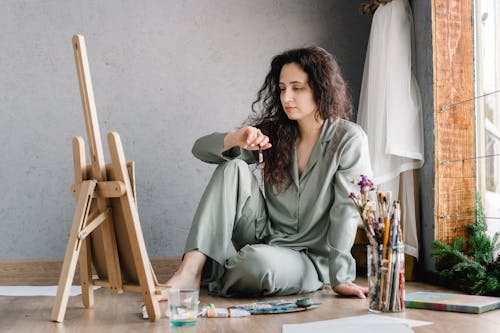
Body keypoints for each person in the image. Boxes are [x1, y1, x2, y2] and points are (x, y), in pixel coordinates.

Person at [165, 46, 372, 299]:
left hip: (307, 259)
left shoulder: (348, 139)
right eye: (283, 88)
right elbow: (200, 150)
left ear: (320, 88)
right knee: (233, 167)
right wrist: (235, 138)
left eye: (297, 88)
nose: (287, 97)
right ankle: (190, 271)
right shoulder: (276, 134)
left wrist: (341, 278)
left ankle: (218, 270)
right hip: (264, 238)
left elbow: (346, 211)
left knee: (257, 265)